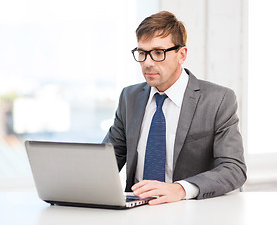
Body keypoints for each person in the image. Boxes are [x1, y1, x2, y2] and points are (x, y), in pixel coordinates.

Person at [103, 11, 246, 205]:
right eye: (142, 53)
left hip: (189, 212)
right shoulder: (129, 98)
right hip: (135, 212)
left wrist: (180, 189)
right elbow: (106, 161)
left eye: (158, 53)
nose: (148, 63)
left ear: (182, 54)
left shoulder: (218, 100)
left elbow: (234, 168)